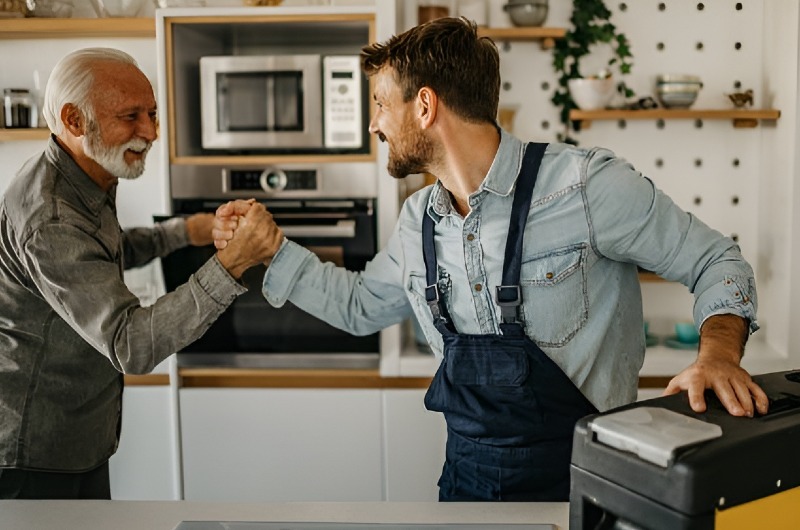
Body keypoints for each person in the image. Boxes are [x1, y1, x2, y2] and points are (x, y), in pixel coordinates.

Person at [213, 18, 769, 502]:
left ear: (425, 106)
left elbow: (716, 260)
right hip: (466, 487)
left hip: (589, 481)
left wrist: (718, 355)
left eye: (381, 104)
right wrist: (272, 253)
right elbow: (360, 306)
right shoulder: (417, 224)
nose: (373, 123)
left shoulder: (584, 185)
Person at [0, 48, 279, 499]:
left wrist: (193, 229)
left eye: (151, 113)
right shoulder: (51, 216)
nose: (150, 132)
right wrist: (232, 264)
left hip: (74, 439)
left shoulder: (82, 174)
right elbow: (131, 345)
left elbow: (107, 252)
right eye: (130, 116)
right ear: (74, 120)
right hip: (34, 454)